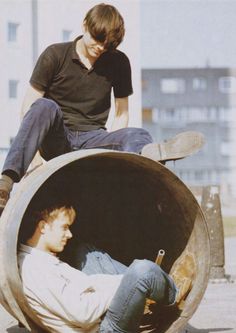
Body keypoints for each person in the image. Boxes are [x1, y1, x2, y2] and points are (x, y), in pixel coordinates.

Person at [0, 3, 205, 214]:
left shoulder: (118, 62)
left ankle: (150, 163)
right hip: (58, 139)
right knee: (44, 105)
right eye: (97, 40)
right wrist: (35, 162)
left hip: (94, 138)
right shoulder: (55, 55)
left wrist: (111, 155)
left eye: (107, 45)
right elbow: (28, 107)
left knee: (137, 134)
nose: (100, 48)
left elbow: (122, 111)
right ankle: (5, 184)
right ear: (84, 26)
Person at [18, 204, 195, 333]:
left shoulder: (41, 259)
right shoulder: (35, 269)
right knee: (143, 271)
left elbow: (86, 282)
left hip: (96, 310)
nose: (70, 234)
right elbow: (82, 313)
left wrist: (122, 283)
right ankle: (172, 293)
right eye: (64, 227)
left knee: (88, 252)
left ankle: (147, 296)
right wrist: (123, 286)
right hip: (102, 328)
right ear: (43, 227)